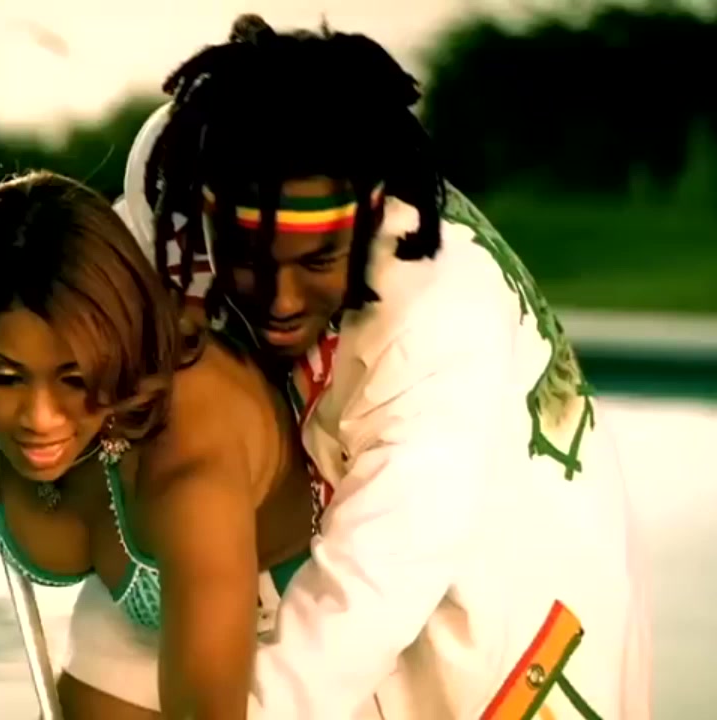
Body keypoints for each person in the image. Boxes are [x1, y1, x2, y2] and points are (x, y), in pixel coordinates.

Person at [107, 14, 653, 719]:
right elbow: (104, 264)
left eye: (316, 262)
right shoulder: (190, 185)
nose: (279, 301)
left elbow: (367, 595)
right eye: (248, 259)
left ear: (367, 222)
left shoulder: (438, 320)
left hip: (518, 626)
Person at [0, 171, 316, 718]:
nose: (39, 419)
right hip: (140, 619)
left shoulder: (189, 457)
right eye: (5, 377)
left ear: (120, 348)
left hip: (297, 632)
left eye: (75, 377)